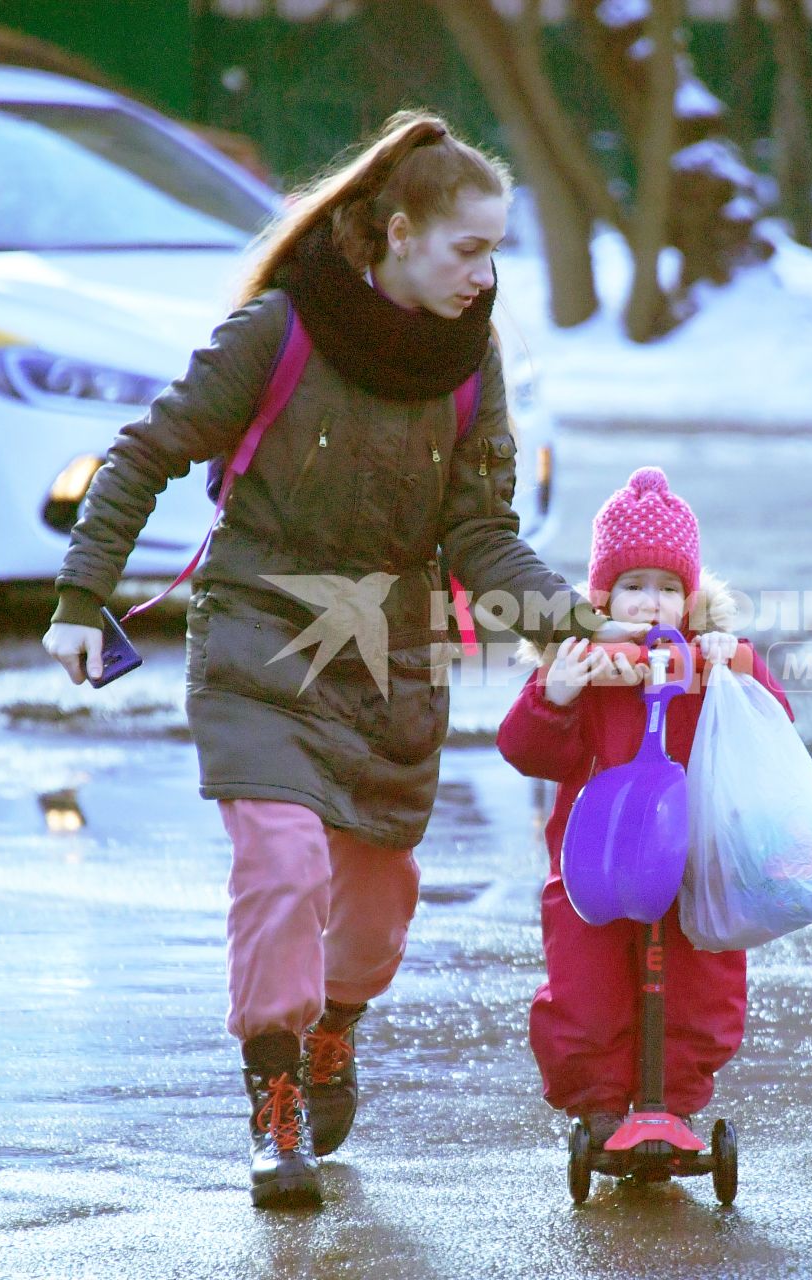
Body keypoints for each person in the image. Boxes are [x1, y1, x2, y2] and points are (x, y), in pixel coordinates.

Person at [40, 109, 638, 1208]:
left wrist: (574, 620)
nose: (484, 271)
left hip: (390, 662)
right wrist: (85, 596)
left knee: (372, 915)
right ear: (399, 231)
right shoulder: (279, 331)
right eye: (468, 247)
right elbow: (146, 450)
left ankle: (334, 1028)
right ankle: (273, 1096)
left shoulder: (471, 361)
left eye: (496, 249)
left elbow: (481, 534)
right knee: (282, 864)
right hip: (258, 637)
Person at [495, 467, 791, 1147]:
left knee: (702, 991)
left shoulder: (708, 662)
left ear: (690, 597)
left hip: (691, 860)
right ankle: (598, 1105)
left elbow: (772, 725)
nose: (650, 604)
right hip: (593, 864)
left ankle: (676, 1101)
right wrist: (556, 694)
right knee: (585, 991)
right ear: (602, 595)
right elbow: (527, 751)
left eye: (666, 588)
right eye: (633, 587)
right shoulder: (584, 666)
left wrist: (735, 664)